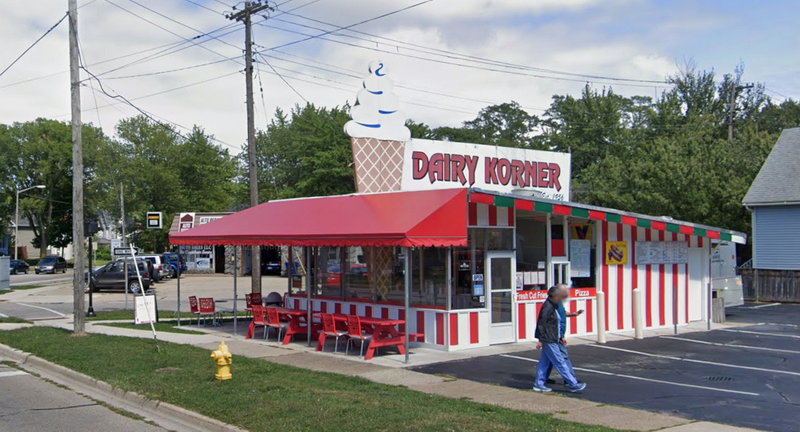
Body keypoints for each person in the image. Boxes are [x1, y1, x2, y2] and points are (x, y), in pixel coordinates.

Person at [533, 285, 586, 393]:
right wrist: (540, 339)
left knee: (544, 363)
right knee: (559, 361)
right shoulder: (548, 306)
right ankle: (573, 384)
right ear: (555, 296)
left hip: (553, 338)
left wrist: (561, 336)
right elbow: (541, 323)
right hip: (549, 339)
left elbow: (558, 318)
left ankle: (538, 384)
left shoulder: (554, 305)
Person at [546, 284, 583, 384]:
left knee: (549, 357)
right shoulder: (552, 304)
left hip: (556, 334)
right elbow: (549, 320)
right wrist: (561, 336)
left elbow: (562, 313)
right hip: (555, 335)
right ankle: (570, 378)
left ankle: (543, 377)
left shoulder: (558, 303)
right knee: (563, 356)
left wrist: (573, 314)